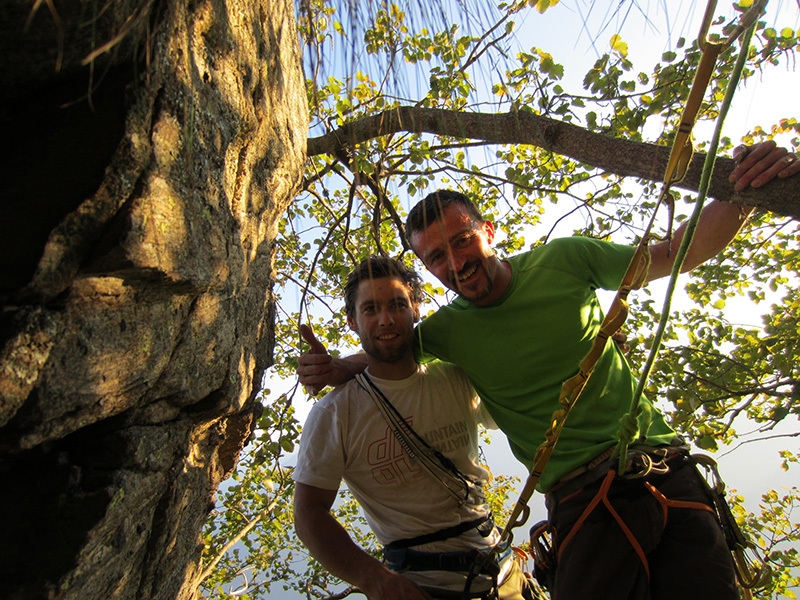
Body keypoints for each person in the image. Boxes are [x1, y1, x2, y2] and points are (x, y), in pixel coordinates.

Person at [297, 141, 800, 599]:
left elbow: (671, 253)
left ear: (488, 231)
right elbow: (393, 347)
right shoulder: (448, 331)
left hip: (664, 469)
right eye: (436, 257)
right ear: (427, 269)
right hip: (583, 502)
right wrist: (337, 367)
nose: (456, 262)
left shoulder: (565, 260)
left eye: (462, 240)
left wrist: (745, 190)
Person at [293, 257, 541, 600]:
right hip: (420, 587)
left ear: (417, 309)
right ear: (352, 321)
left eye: (397, 304)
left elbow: (524, 396)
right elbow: (308, 512)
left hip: (504, 575)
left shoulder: (456, 377)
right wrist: (375, 579)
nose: (386, 319)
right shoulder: (335, 414)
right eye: (370, 309)